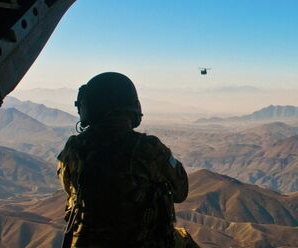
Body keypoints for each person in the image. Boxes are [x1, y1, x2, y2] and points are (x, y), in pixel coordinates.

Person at [57, 72, 197, 248]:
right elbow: (180, 191)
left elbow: (69, 187)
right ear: (132, 107)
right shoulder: (148, 148)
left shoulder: (73, 148)